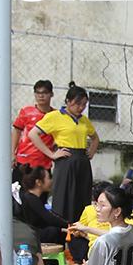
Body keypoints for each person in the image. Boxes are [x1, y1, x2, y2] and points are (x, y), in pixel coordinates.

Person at [28, 84, 97, 225]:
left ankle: (80, 230)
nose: (81, 107)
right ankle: (62, 231)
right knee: (63, 197)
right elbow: (33, 134)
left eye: (84, 104)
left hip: (82, 161)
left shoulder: (84, 120)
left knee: (82, 197)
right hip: (65, 159)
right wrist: (51, 154)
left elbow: (95, 138)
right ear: (68, 101)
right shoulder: (54, 116)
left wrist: (91, 151)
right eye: (78, 103)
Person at [13, 166, 68, 249]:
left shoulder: (32, 198)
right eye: (49, 178)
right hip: (32, 234)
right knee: (55, 231)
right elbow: (49, 218)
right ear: (38, 182)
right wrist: (69, 224)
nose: (51, 181)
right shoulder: (31, 199)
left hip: (34, 232)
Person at [11, 79, 55, 180]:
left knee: (41, 195)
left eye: (44, 93)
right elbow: (17, 131)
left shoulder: (56, 115)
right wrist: (12, 153)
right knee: (18, 193)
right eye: (38, 93)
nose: (41, 96)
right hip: (24, 161)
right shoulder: (26, 112)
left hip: (44, 163)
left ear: (51, 94)